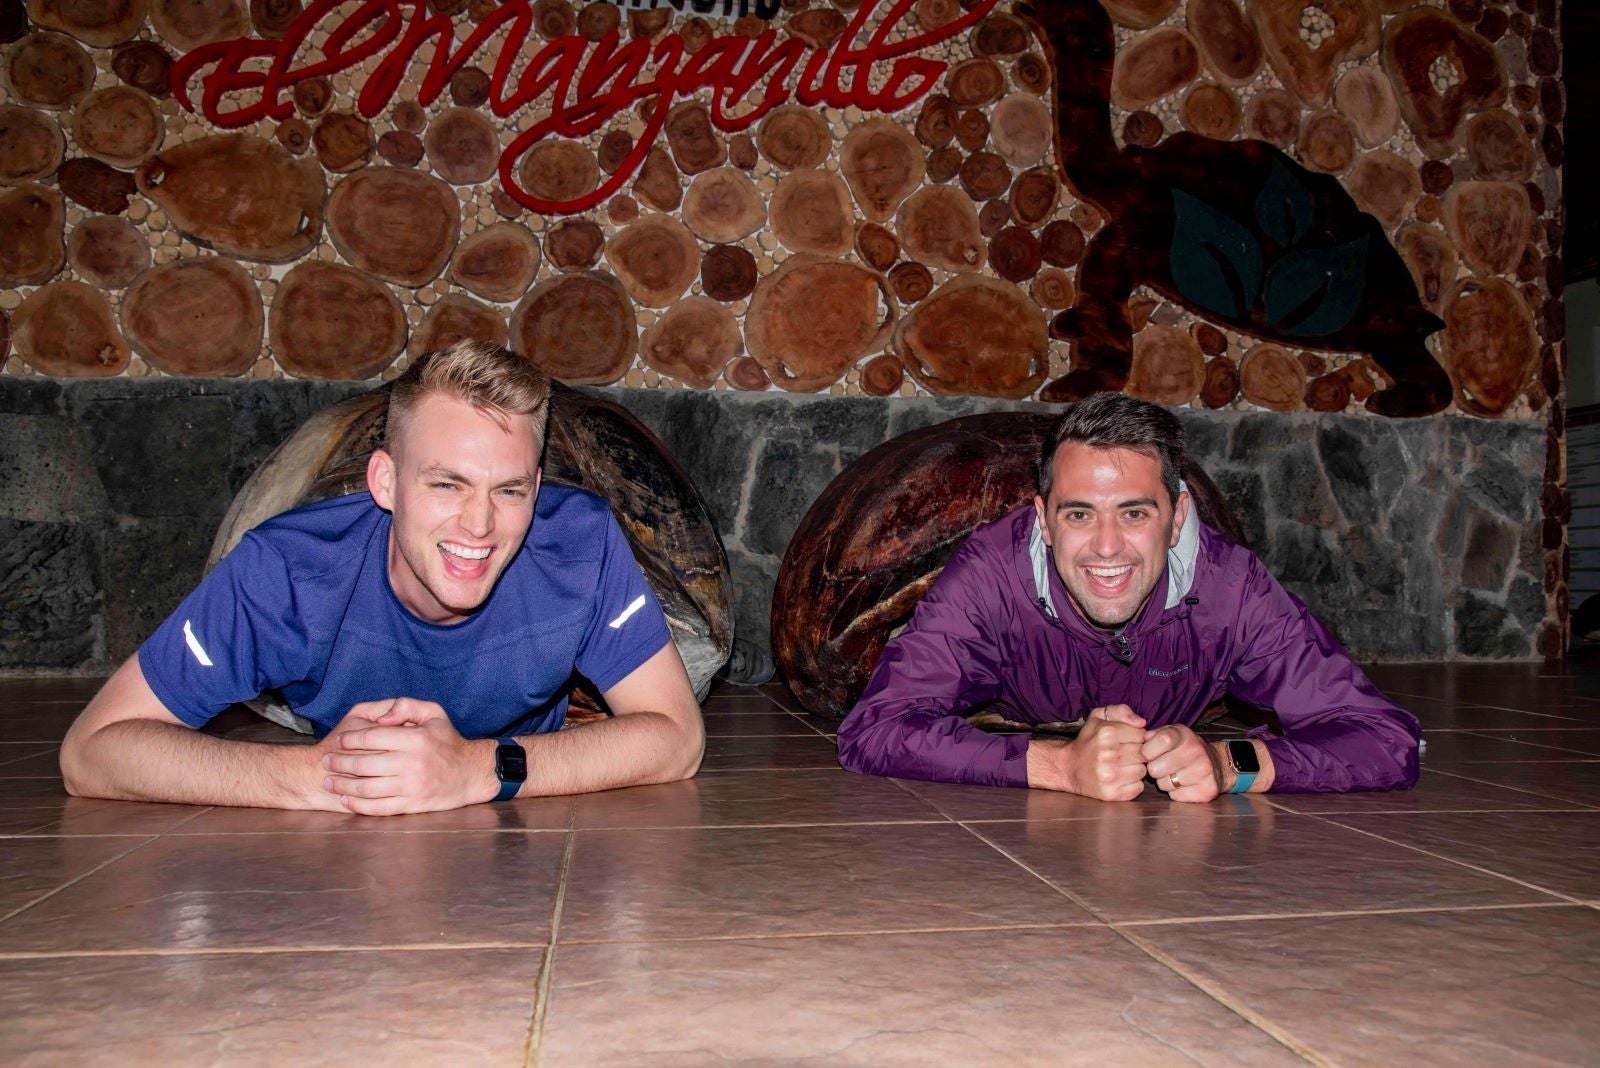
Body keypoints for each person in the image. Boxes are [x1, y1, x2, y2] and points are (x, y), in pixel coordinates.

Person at [61, 341, 704, 814]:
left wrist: (479, 770)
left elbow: (677, 738)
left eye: (508, 490)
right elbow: (91, 751)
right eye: (446, 483)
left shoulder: (580, 543)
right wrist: (319, 777)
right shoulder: (287, 571)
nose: (479, 524)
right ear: (386, 481)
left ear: (536, 488)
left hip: (521, 814)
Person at [836, 392, 1419, 801]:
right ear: (1043, 521)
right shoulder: (988, 577)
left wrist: (1230, 763)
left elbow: (1387, 741)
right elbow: (873, 730)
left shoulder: (1231, 587)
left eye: (1135, 513)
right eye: (1080, 514)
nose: (1107, 547)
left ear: (1177, 515)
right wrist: (1057, 766)